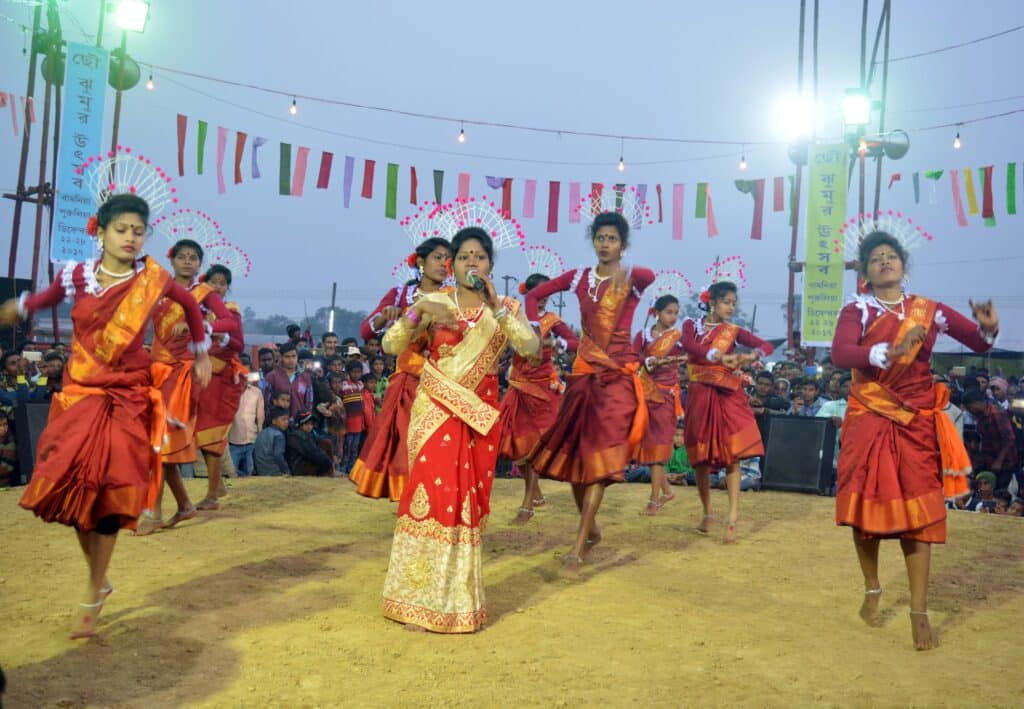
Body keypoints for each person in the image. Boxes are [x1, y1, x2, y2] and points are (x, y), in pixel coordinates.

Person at [2, 194, 212, 639]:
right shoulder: (76, 275)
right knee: (69, 490)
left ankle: (94, 588)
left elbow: (193, 308)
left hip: (126, 398)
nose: (131, 238)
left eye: (138, 231)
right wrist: (19, 307)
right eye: (122, 230)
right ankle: (99, 579)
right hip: (79, 395)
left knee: (112, 491)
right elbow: (44, 298)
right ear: (100, 232)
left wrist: (201, 352)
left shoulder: (153, 279)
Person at [830, 230, 998, 650]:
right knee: (865, 511)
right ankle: (872, 587)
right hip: (869, 413)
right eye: (875, 258)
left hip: (916, 421)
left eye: (891, 256)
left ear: (903, 266)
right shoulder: (858, 309)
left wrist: (989, 328)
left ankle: (918, 612)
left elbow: (978, 343)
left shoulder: (930, 311)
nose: (885, 261)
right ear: (866, 273)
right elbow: (840, 353)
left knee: (920, 513)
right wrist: (880, 352)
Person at [380, 226, 539, 633]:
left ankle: (455, 603)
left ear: (490, 264)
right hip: (433, 413)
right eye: (464, 256)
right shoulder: (434, 301)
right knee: (431, 499)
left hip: (475, 419)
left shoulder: (503, 308)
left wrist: (497, 309)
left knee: (462, 507)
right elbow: (391, 345)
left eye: (480, 257)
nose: (472, 263)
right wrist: (419, 314)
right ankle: (415, 601)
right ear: (452, 263)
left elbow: (530, 348)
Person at [524, 212, 655, 574]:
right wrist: (535, 327)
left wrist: (624, 272)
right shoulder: (579, 277)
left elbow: (649, 275)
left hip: (618, 381)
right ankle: (592, 529)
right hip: (584, 377)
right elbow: (534, 295)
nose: (604, 244)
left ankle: (578, 545)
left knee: (598, 467)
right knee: (578, 466)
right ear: (593, 240)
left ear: (622, 245)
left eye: (612, 239)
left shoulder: (632, 281)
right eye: (600, 237)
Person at [141, 239, 239, 532]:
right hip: (156, 371)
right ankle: (183, 505)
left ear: (199, 264)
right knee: (159, 442)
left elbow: (228, 323)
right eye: (182, 256)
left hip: (183, 373)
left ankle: (154, 514)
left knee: (162, 440)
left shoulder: (204, 293)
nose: (187, 261)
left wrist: (201, 324)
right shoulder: (158, 288)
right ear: (172, 260)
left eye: (193, 257)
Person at [349, 237, 452, 500]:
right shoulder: (400, 295)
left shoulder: (452, 299)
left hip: (442, 382)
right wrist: (387, 314)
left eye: (447, 259)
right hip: (407, 381)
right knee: (406, 444)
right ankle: (411, 505)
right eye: (438, 257)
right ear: (420, 261)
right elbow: (365, 331)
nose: (444, 264)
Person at [682, 281, 773, 543]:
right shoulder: (691, 325)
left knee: (732, 456)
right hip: (700, 394)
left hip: (727, 396)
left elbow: (764, 346)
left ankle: (732, 518)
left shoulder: (733, 331)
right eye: (726, 302)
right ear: (711, 302)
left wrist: (750, 355)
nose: (730, 307)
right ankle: (708, 512)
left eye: (734, 303)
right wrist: (717, 356)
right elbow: (690, 346)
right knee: (700, 458)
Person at [499, 272, 579, 525]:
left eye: (548, 294)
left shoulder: (553, 320)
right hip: (519, 382)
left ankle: (527, 504)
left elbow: (574, 341)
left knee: (535, 444)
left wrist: (557, 343)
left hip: (543, 386)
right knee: (514, 445)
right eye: (539, 294)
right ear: (529, 293)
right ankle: (536, 493)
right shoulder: (515, 315)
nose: (543, 299)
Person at [193, 264, 247, 509]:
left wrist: (221, 337)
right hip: (198, 377)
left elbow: (239, 344)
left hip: (220, 379)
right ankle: (217, 486)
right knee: (199, 432)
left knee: (211, 433)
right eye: (213, 282)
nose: (217, 286)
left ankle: (213, 493)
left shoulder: (231, 311)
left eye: (222, 283)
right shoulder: (195, 309)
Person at [633, 294, 687, 515]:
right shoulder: (643, 335)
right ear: (657, 312)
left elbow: (690, 355)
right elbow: (633, 357)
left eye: (676, 313)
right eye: (669, 312)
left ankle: (654, 502)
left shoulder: (678, 337)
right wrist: (646, 361)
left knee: (658, 449)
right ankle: (666, 491)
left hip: (665, 398)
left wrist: (675, 360)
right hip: (645, 395)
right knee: (647, 446)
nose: (673, 317)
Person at [962, 388, 1019, 491]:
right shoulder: (980, 415)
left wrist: (999, 461)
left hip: (1004, 462)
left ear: (977, 403)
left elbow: (1009, 438)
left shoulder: (996, 413)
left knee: (999, 490)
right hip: (989, 459)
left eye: (970, 408)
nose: (969, 411)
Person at [264, 342, 314, 418]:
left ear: (297, 356)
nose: (291, 360)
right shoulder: (271, 376)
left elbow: (309, 403)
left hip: (298, 423)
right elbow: (267, 403)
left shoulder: (305, 376)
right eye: (287, 357)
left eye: (294, 356)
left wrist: (304, 420)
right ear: (281, 357)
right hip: (278, 422)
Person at [229, 372, 265, 477]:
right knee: (232, 473)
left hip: (252, 440)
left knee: (250, 473)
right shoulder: (230, 392)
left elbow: (260, 416)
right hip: (234, 441)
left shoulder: (256, 392)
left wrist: (259, 434)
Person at [286, 411, 334, 476]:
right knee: (324, 461)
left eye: (311, 424)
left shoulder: (307, 434)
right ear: (299, 424)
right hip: (298, 468)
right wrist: (328, 463)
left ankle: (330, 472)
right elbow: (312, 453)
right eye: (307, 424)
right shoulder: (297, 436)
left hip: (306, 461)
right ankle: (329, 473)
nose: (310, 426)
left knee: (326, 443)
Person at [254, 407, 290, 476]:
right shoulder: (278, 435)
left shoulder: (262, 432)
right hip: (275, 473)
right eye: (283, 419)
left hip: (261, 472)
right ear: (274, 421)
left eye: (287, 419)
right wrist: (286, 471)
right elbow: (278, 455)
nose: (286, 422)